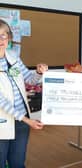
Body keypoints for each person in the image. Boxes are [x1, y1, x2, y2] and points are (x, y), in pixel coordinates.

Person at [0, 19, 48, 168]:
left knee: (18, 163)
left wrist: (39, 73)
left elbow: (29, 79)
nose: (0, 39)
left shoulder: (13, 57)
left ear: (8, 38)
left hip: (21, 122)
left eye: (3, 35)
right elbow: (1, 102)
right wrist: (28, 120)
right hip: (3, 122)